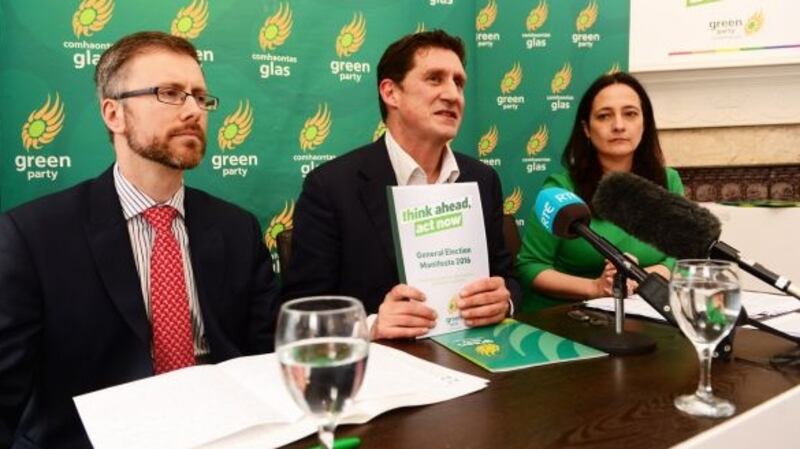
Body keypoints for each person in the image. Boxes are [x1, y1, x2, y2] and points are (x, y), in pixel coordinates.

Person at [0, 31, 280, 448]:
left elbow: (268, 356)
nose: (193, 110)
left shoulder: (235, 227)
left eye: (200, 97)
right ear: (113, 114)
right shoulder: (34, 235)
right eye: (170, 93)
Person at [282, 30, 520, 339]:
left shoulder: (482, 178)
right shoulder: (330, 187)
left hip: (477, 355)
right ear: (391, 92)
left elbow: (507, 277)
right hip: (384, 369)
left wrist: (505, 302)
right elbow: (302, 312)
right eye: (435, 79)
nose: (452, 94)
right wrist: (371, 326)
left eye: (458, 82)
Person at [516, 72, 684, 312]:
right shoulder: (560, 190)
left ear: (644, 123)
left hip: (647, 314)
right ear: (586, 128)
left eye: (630, 114)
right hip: (567, 318)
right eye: (604, 116)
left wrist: (642, 277)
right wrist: (596, 287)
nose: (618, 126)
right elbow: (530, 267)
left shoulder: (668, 181)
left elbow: (681, 254)